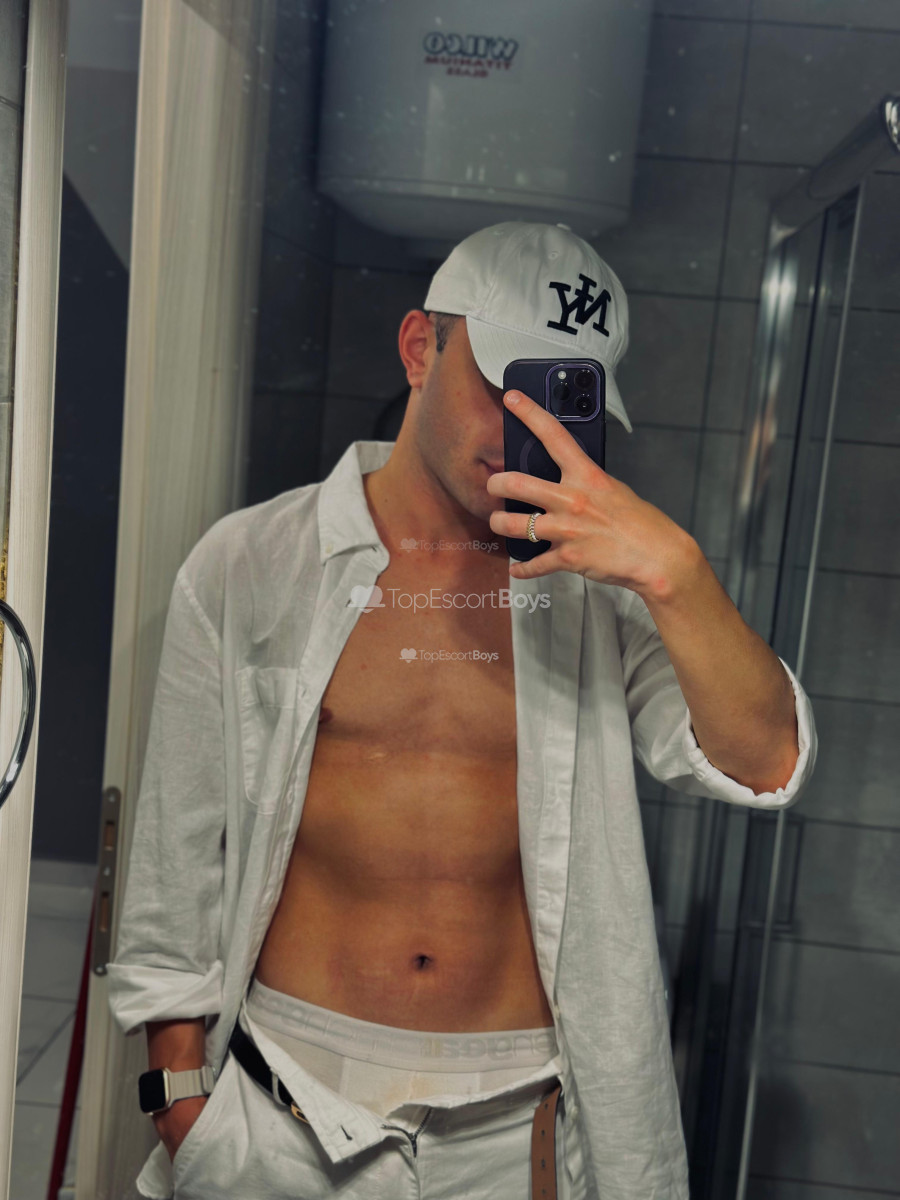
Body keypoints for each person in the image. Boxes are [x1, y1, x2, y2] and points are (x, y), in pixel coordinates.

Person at [106, 221, 818, 1200]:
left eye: (561, 399)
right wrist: (183, 1103)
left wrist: (677, 574)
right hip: (286, 1111)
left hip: (519, 1134)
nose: (525, 428)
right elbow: (176, 857)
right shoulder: (253, 563)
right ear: (419, 349)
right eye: (504, 387)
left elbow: (767, 761)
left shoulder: (603, 593)